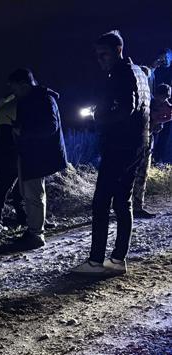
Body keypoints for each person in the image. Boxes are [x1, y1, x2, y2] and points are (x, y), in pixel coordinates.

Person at [72, 30, 151, 276]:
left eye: (104, 54)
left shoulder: (121, 73)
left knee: (101, 202)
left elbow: (126, 108)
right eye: (97, 55)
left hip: (119, 146)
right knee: (123, 201)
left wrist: (99, 117)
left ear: (118, 51)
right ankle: (117, 259)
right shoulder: (139, 73)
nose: (100, 60)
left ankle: (96, 261)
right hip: (137, 144)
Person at [7, 68, 67, 248]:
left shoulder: (43, 99)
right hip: (31, 153)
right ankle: (34, 229)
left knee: (34, 194)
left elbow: (50, 127)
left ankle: (36, 235)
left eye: (15, 88)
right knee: (30, 193)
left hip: (39, 155)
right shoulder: (31, 99)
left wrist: (23, 131)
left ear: (24, 85)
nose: (13, 92)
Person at [0, 94, 26, 233]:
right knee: (7, 188)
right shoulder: (20, 104)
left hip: (4, 152)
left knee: (4, 188)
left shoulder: (4, 104)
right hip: (10, 151)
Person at [134, 83, 172, 218]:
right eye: (162, 97)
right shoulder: (147, 102)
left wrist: (158, 122)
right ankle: (132, 206)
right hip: (139, 139)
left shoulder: (160, 105)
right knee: (137, 172)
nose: (163, 100)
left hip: (146, 138)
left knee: (141, 173)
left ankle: (135, 205)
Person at [151, 48, 172, 162]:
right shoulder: (157, 69)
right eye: (161, 58)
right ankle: (152, 157)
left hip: (166, 104)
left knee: (165, 134)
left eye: (165, 58)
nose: (163, 60)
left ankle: (159, 159)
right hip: (156, 102)